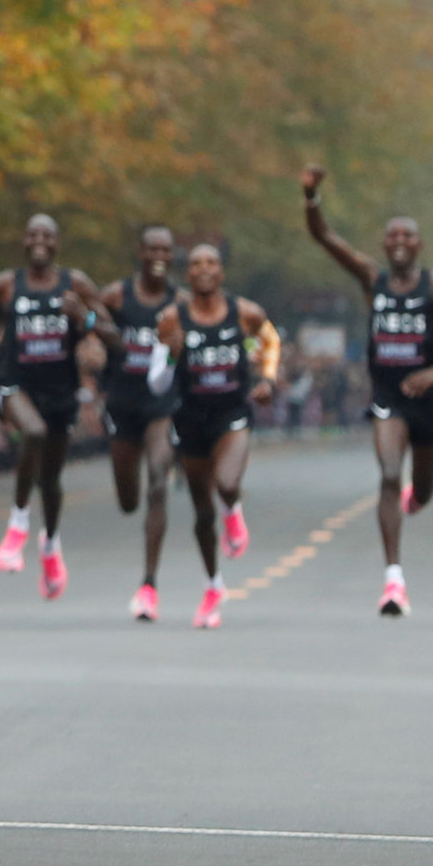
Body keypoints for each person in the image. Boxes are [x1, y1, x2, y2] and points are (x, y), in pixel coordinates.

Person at [300, 165, 433, 616]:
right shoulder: (373, 279)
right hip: (388, 397)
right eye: (393, 237)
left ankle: (418, 495)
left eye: (409, 236)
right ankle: (393, 581)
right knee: (388, 475)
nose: (400, 243)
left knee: (420, 489)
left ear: (419, 245)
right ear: (385, 245)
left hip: (430, 401)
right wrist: (311, 198)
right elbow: (325, 238)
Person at [151, 244, 278, 629]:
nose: (204, 270)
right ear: (187, 275)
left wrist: (268, 380)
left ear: (222, 273)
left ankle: (234, 509)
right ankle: (212, 585)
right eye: (195, 265)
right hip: (190, 420)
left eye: (211, 263)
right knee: (202, 515)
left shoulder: (245, 313)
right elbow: (157, 385)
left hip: (232, 414)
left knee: (226, 483)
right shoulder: (171, 319)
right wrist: (171, 357)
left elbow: (270, 342)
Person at [0, 214, 106, 599]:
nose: (39, 241)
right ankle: (17, 524)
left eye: (46, 235)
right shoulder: (4, 284)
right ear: (23, 240)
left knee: (50, 481)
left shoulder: (76, 283)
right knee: (31, 432)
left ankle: (50, 545)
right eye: (32, 234)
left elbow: (107, 325)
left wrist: (84, 317)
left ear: (57, 243)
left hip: (60, 390)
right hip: (15, 383)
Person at [98, 225, 181, 621]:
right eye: (152, 249)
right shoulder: (117, 295)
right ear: (141, 253)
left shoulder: (181, 302)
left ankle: (149, 584)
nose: (159, 256)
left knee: (158, 482)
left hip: (162, 404)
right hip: (122, 403)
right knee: (129, 500)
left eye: (166, 249)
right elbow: (92, 332)